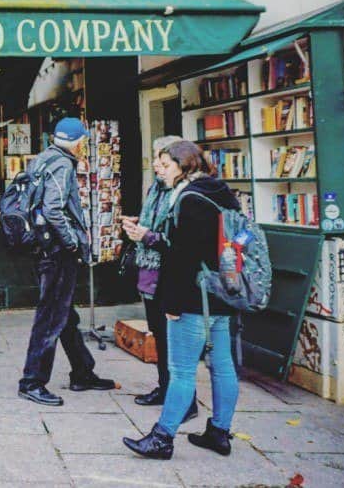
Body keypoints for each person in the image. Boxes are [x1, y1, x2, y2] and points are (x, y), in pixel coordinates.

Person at [121, 140, 241, 460]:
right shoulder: (222, 192)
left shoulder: (188, 199)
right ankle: (219, 431)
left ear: (183, 164)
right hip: (221, 292)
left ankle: (163, 437)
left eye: (167, 164)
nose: (162, 170)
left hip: (192, 297)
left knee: (182, 369)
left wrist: (170, 303)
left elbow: (181, 256)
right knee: (223, 366)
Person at [18, 117, 116, 406]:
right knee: (50, 316)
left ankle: (82, 372)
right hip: (58, 253)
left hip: (43, 250)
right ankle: (32, 381)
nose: (84, 146)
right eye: (83, 141)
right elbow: (53, 209)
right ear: (77, 142)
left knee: (65, 315)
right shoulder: (62, 164)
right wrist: (73, 243)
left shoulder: (43, 158)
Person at [124, 135, 196, 424]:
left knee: (175, 340)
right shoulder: (157, 188)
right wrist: (137, 226)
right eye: (156, 158)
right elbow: (152, 221)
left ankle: (186, 400)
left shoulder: (183, 193)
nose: (156, 164)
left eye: (162, 160)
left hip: (170, 274)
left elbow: (179, 240)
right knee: (159, 333)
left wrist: (148, 235)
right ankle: (166, 388)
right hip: (150, 271)